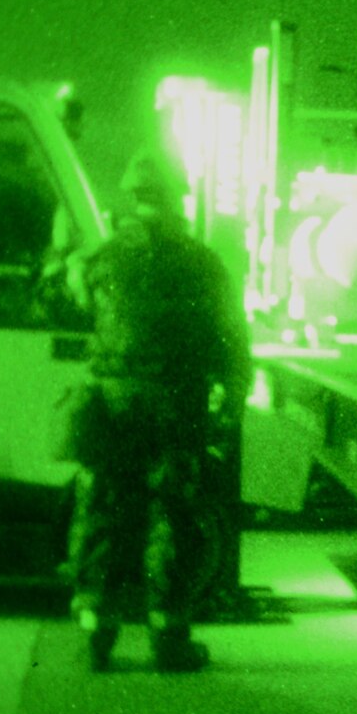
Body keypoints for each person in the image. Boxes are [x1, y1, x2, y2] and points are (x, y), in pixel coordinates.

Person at [60, 147, 252, 672]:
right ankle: (169, 635)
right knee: (173, 512)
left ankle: (96, 634)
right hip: (176, 404)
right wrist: (232, 400)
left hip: (111, 402)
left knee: (103, 508)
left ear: (133, 196)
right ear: (175, 197)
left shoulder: (98, 260)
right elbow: (234, 341)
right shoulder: (203, 262)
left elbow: (74, 306)